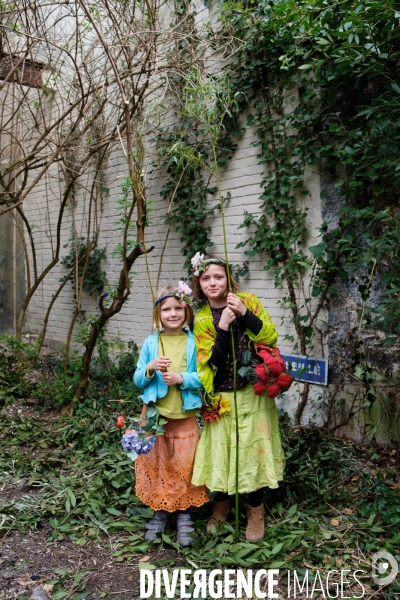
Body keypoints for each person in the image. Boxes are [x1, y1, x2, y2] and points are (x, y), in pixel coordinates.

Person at [190, 255, 285, 543]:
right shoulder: (203, 319)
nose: (212, 282)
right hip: (222, 396)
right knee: (222, 451)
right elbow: (212, 364)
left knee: (250, 452)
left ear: (229, 279)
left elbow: (270, 336)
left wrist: (244, 313)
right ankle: (219, 507)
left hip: (253, 393)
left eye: (218, 276)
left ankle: (255, 511)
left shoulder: (248, 301)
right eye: (206, 278)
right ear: (199, 284)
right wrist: (223, 328)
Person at [133, 285, 209, 547]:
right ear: (158, 313)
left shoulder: (193, 342)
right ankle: (160, 509)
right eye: (167, 309)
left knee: (183, 463)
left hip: (183, 415)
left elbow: (204, 376)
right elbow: (137, 378)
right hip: (155, 415)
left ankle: (184, 513)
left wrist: (181, 378)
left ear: (186, 311)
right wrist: (151, 369)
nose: (173, 313)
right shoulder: (151, 342)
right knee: (159, 462)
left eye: (178, 307)